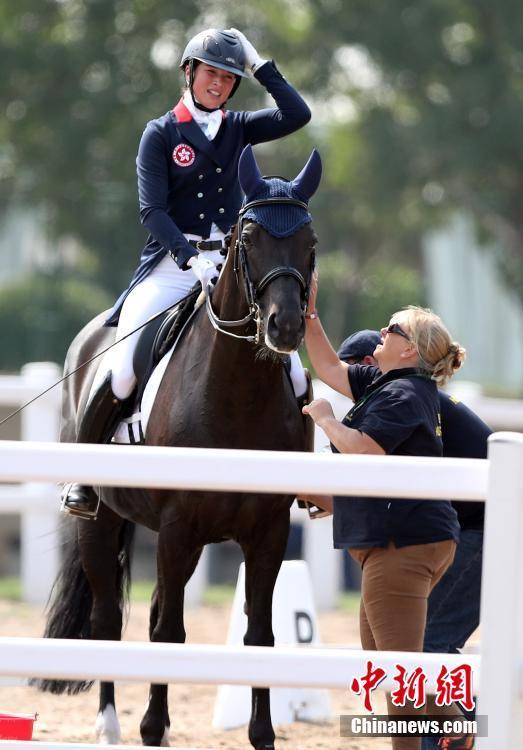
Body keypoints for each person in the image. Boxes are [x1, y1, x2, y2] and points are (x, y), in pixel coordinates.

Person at [62, 27, 311, 518]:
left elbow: (297, 114)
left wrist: (258, 64)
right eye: (211, 73)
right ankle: (83, 478)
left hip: (237, 264)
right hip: (174, 265)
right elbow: (151, 210)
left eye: (227, 77)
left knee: (298, 376)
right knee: (122, 367)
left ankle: (303, 481)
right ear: (190, 72)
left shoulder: (238, 125)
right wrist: (188, 257)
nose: (218, 84)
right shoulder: (161, 133)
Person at [302, 274, 470, 750]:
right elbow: (329, 366)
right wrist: (311, 312)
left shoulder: (403, 395)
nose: (382, 333)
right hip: (403, 540)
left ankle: (453, 729)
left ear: (409, 350)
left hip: (404, 543)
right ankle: (455, 726)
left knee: (395, 672)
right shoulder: (388, 384)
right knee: (386, 663)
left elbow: (366, 450)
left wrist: (326, 420)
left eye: (391, 330)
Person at [335, 330, 490, 750]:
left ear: (370, 366)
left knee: (421, 644)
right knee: (411, 647)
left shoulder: (399, 401)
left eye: (355, 372)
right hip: (478, 524)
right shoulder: (408, 399)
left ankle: (464, 732)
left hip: (484, 528)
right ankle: (461, 730)